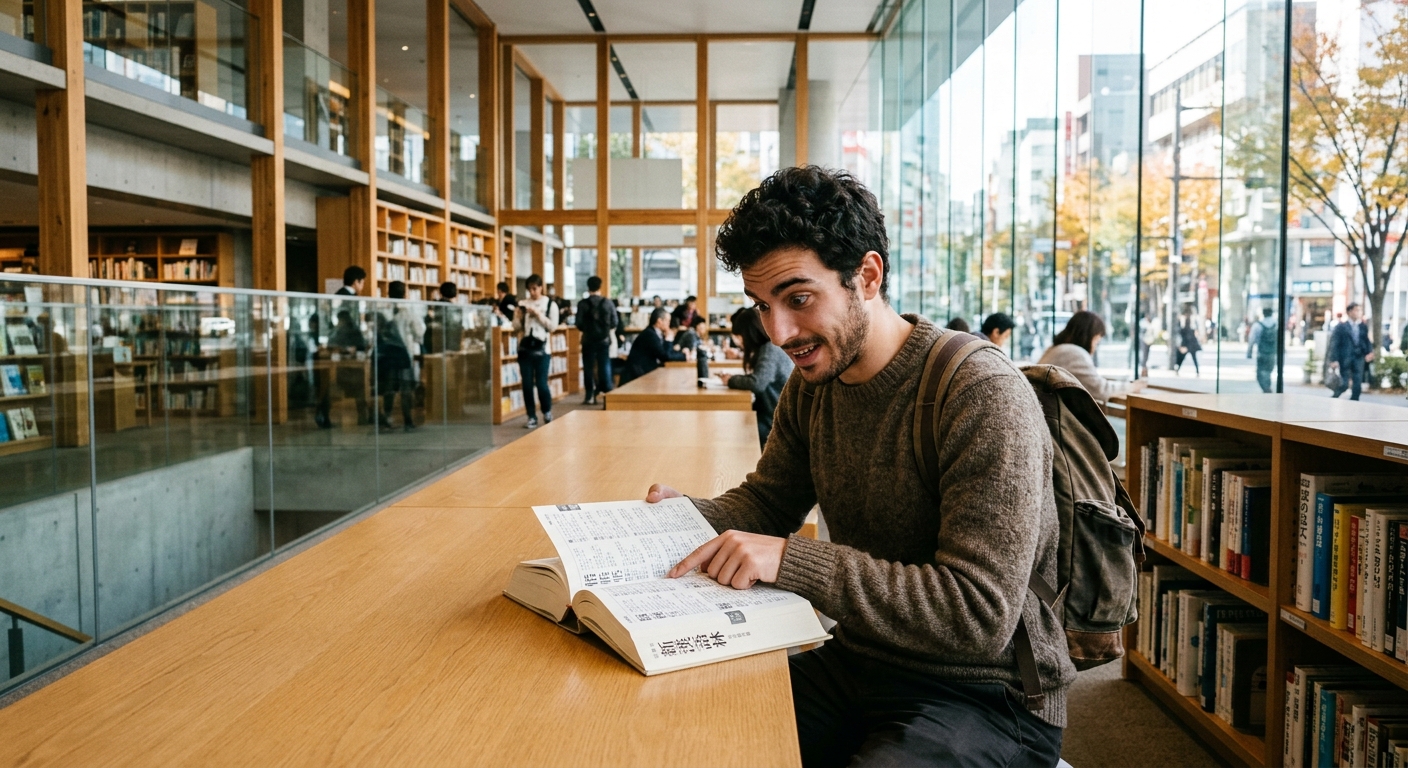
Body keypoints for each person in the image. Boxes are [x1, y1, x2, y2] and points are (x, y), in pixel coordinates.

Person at [644, 166, 1069, 768]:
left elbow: (978, 614)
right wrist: (683, 517)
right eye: (763, 306)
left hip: (989, 694)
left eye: (797, 298)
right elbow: (769, 502)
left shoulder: (978, 391)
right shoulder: (816, 383)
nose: (779, 332)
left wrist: (789, 560)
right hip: (860, 660)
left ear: (867, 276)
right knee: (693, 731)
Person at [718, 308, 794, 447]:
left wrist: (730, 380)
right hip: (771, 412)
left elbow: (757, 383)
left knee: (735, 434)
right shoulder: (767, 348)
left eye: (740, 337)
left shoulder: (771, 348)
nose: (739, 342)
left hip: (775, 419)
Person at [1037, 310, 1147, 403]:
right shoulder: (1074, 353)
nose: (1095, 348)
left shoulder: (1054, 349)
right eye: (1096, 342)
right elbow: (1101, 389)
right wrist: (1133, 386)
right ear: (1087, 337)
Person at [376, 281, 424, 431]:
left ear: (388, 293)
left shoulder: (383, 310)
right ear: (405, 294)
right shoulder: (409, 312)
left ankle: (387, 418)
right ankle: (407, 421)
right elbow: (420, 331)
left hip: (387, 355)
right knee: (405, 388)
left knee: (389, 387)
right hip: (404, 355)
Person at [514, 273, 559, 428]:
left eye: (535, 288)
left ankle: (546, 411)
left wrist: (538, 314)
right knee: (526, 384)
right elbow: (516, 328)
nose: (532, 292)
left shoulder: (550, 304)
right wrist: (518, 316)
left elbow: (553, 326)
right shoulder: (523, 303)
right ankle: (531, 416)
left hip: (542, 349)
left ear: (541, 288)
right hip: (525, 348)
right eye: (529, 289)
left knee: (541, 383)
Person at [575, 275, 618, 405]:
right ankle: (607, 392)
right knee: (604, 365)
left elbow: (579, 323)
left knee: (588, 367)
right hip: (604, 340)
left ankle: (589, 395)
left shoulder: (582, 304)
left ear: (588, 287)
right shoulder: (608, 303)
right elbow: (614, 322)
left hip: (588, 340)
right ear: (600, 286)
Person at [618, 307, 684, 385]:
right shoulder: (650, 335)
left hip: (645, 375)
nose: (669, 324)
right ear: (659, 321)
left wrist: (682, 354)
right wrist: (669, 341)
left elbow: (667, 353)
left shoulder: (656, 333)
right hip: (637, 378)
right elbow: (665, 356)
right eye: (667, 321)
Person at [1328, 302, 1375, 400]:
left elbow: (1366, 341)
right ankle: (1334, 397)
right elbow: (1334, 344)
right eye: (1356, 310)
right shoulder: (1341, 327)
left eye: (1359, 310)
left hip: (1359, 357)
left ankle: (1354, 401)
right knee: (1344, 383)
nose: (1359, 312)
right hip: (1345, 358)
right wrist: (1333, 359)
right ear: (1349, 312)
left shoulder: (1362, 326)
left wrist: (1369, 352)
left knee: (1357, 383)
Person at [423, 282, 464, 354]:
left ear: (440, 292)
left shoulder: (435, 306)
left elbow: (427, 324)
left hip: (435, 345)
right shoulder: (457, 309)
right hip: (453, 345)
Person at [1246, 307, 1278, 393]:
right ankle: (1268, 388)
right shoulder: (1276, 324)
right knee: (1268, 371)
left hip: (1261, 353)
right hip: (1272, 353)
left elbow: (1252, 339)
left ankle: (1266, 388)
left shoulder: (1258, 325)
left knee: (1261, 372)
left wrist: (1249, 352)